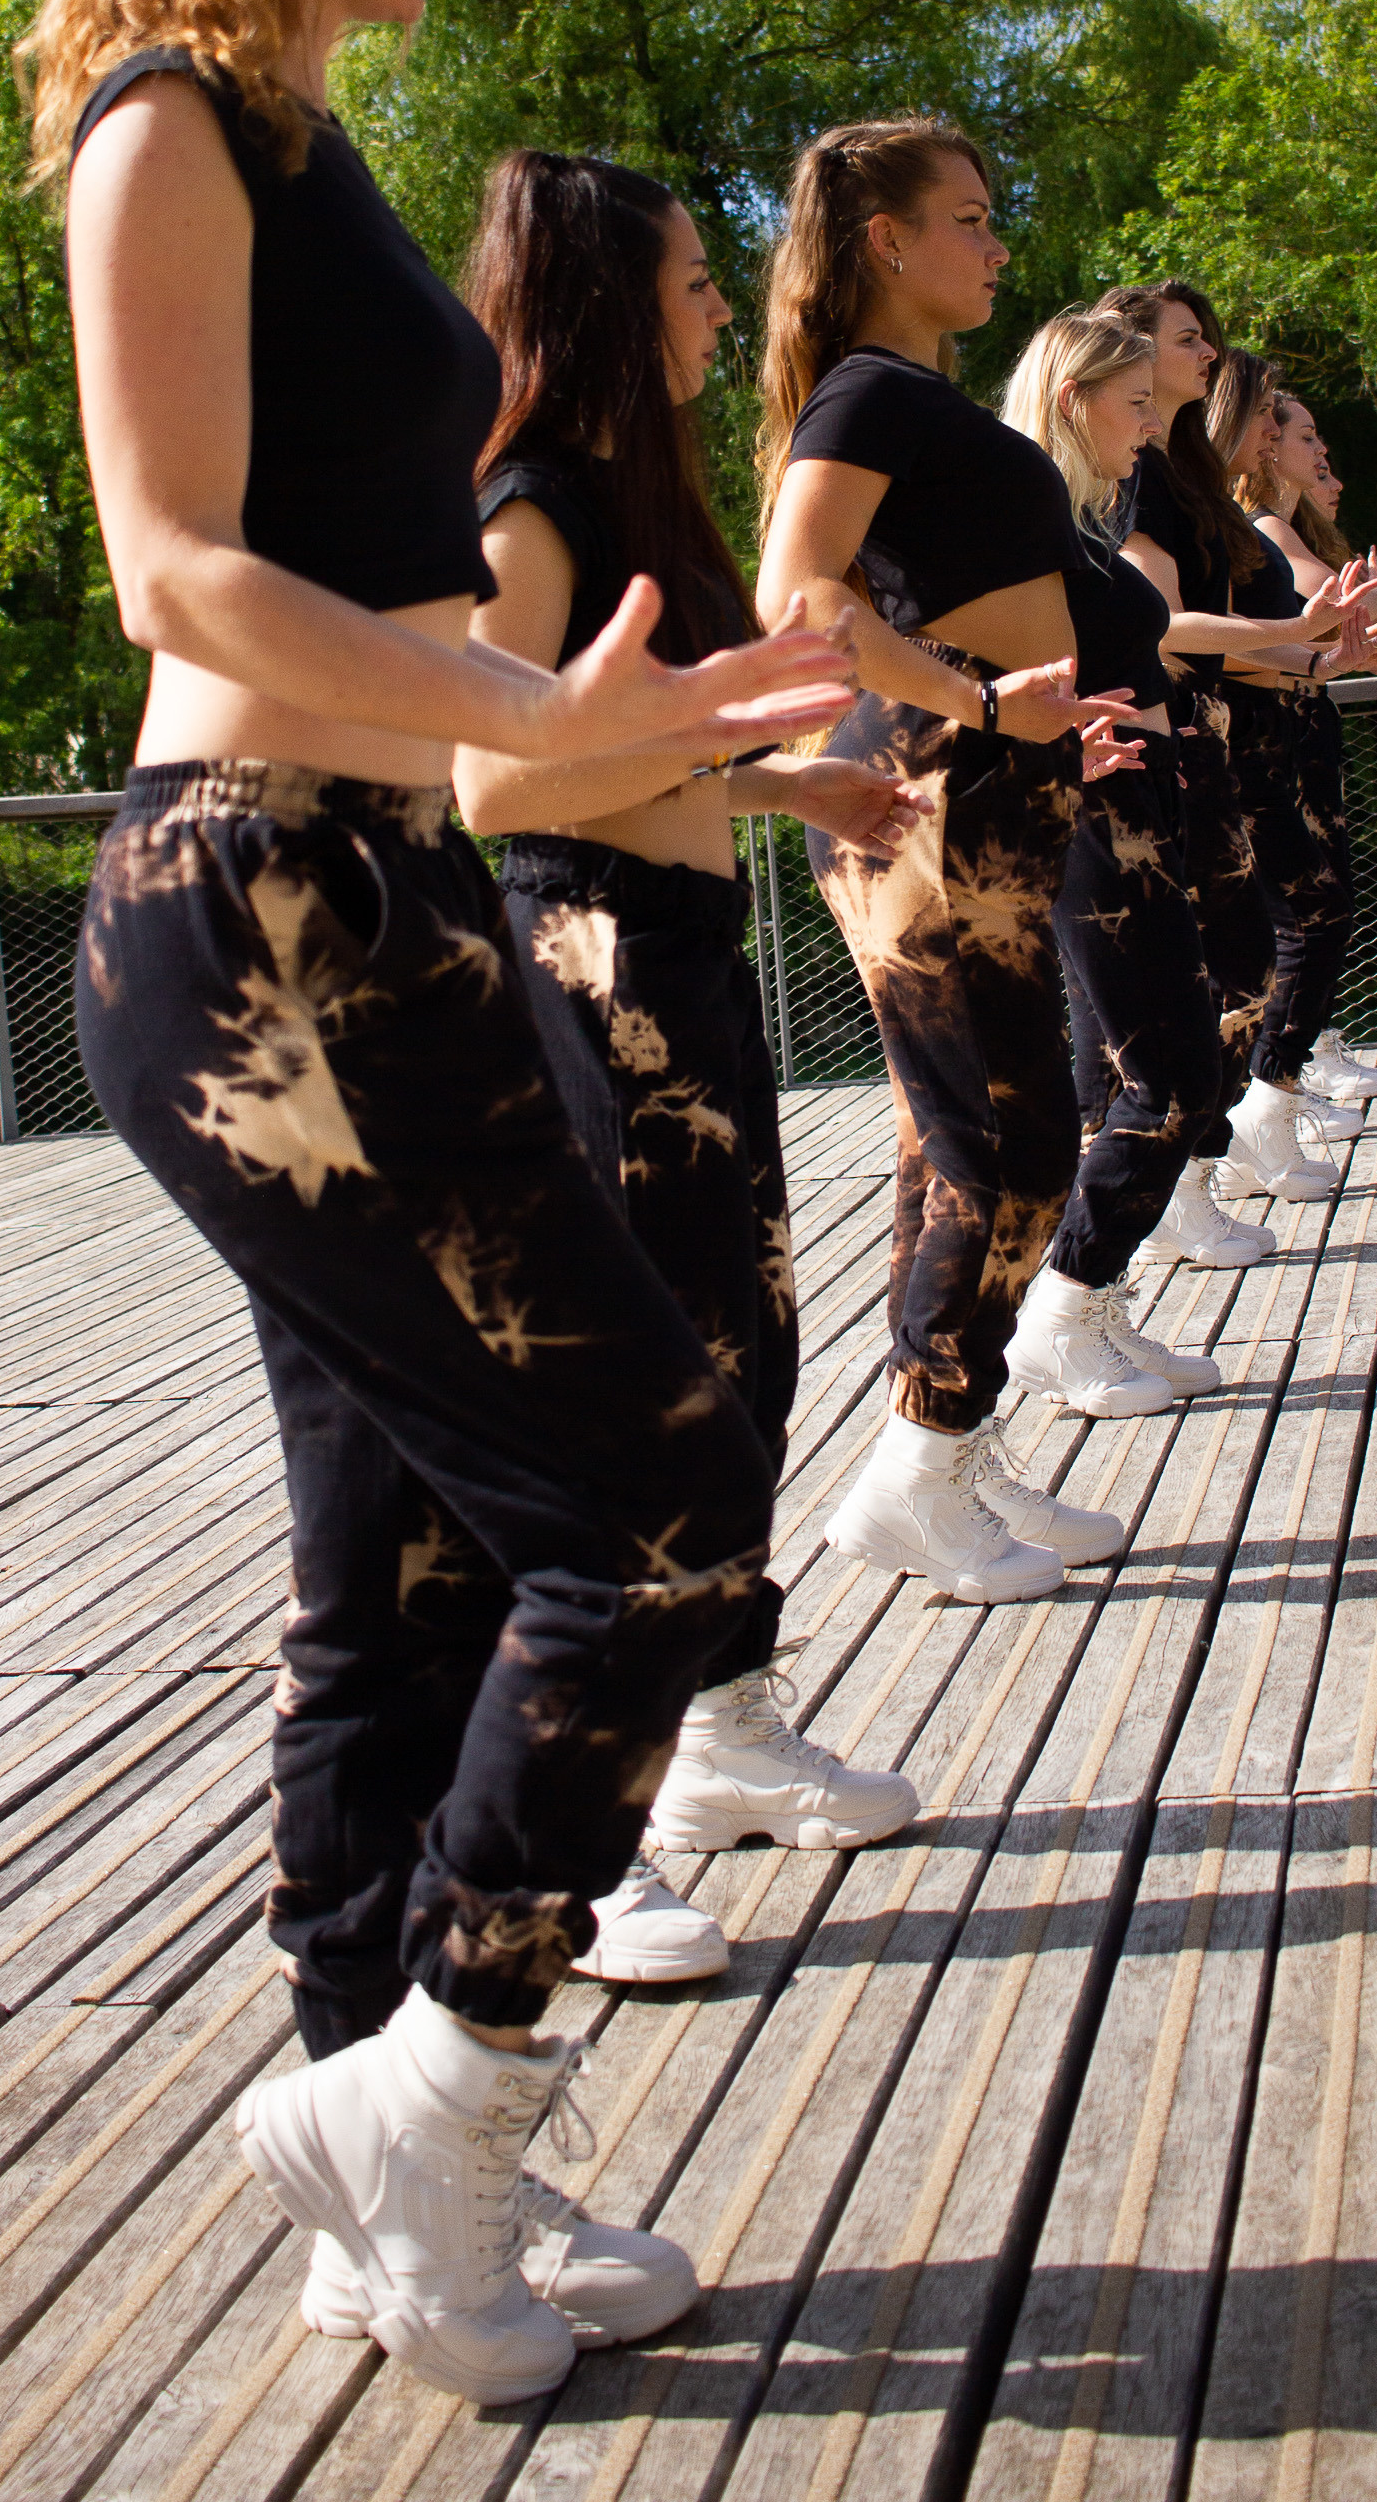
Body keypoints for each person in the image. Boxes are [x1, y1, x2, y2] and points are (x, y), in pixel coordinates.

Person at [42, 0, 854, 2405]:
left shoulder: (299, 133)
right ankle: (451, 2093)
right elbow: (173, 572)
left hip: (358, 873)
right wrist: (533, 730)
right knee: (649, 1488)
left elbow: (381, 606)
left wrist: (613, 733)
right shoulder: (167, 117)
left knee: (388, 1582)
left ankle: (401, 2202)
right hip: (265, 908)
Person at [454, 149, 924, 1950]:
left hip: (683, 949)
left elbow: (636, 746)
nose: (722, 307)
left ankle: (721, 1728)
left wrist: (776, 767)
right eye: (692, 281)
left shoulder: (636, 493)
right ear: (604, 297)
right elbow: (495, 776)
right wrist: (712, 740)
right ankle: (598, 1815)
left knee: (745, 1345)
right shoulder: (529, 504)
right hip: (584, 956)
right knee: (638, 1381)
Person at [754, 119, 1138, 1609]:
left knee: (954, 1144)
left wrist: (1039, 726)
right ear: (885, 243)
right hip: (929, 799)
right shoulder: (863, 395)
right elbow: (801, 595)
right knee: (1014, 1141)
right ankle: (918, 1467)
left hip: (992, 786)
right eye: (968, 220)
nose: (994, 245)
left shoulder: (913, 399)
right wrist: (981, 705)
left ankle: (948, 1451)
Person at [1093, 284, 1371, 1261]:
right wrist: (1295, 634)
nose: (1207, 351)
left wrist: (1323, 654)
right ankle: (1163, 1193)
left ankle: (1194, 1170)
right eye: (1186, 338)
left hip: (1196, 738)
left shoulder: (1184, 474)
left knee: (1237, 961)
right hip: (1153, 743)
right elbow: (1156, 622)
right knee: (1190, 983)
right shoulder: (1140, 473)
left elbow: (1212, 635)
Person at [997, 308, 1227, 1388]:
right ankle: (1066, 1302)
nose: (1147, 423)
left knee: (1145, 1070)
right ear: (1067, 399)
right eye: (1130, 403)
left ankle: (1094, 1301)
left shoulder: (1077, 526)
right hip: (1094, 827)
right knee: (1175, 1076)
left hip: (1140, 816)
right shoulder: (1021, 519)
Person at [1206, 354, 1377, 1202]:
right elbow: (1247, 635)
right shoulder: (1238, 525)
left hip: (1281, 732)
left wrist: (1332, 651)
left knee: (1302, 919)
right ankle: (1256, 1104)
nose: (1315, 450)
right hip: (1245, 745)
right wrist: (1332, 629)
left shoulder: (1247, 527)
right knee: (1289, 924)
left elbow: (1296, 639)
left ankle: (1262, 1102)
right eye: (1293, 430)